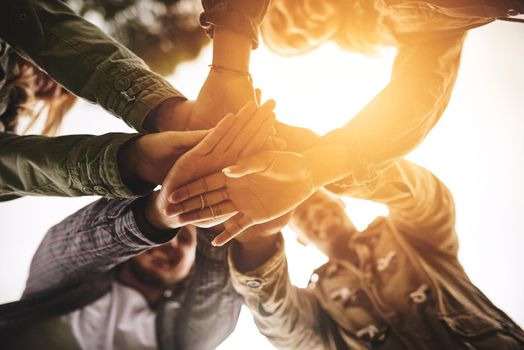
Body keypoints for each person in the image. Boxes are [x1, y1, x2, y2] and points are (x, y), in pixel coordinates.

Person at [164, 0, 524, 245]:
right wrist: (318, 168)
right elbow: (417, 101)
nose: (300, 23)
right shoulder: (422, 31)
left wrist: (231, 61)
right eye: (299, 38)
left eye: (284, 14)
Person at [0, 104, 278, 348]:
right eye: (173, 235)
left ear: (192, 269)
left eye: (184, 240)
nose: (170, 243)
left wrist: (219, 197)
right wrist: (161, 215)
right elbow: (72, 247)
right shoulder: (58, 289)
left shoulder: (185, 337)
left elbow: (214, 299)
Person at [227, 160, 524, 349]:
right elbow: (281, 324)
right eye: (300, 212)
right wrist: (257, 239)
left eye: (318, 196)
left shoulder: (410, 237)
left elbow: (428, 200)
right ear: (299, 239)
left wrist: (334, 167)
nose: (314, 208)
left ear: (342, 203)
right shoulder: (320, 306)